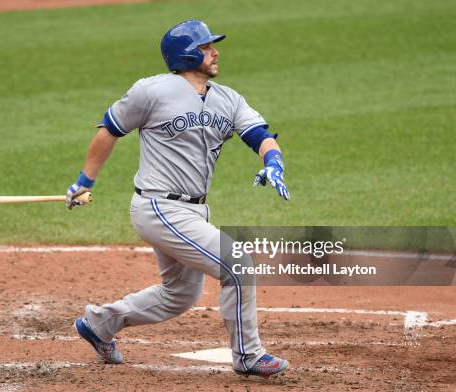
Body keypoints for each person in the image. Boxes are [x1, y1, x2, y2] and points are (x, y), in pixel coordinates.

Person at [66, 19, 290, 378]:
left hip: (195, 210)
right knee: (238, 264)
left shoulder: (227, 98)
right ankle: (248, 355)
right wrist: (83, 180)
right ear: (186, 54)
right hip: (158, 206)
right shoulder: (151, 91)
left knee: (179, 294)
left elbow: (259, 134)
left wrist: (273, 161)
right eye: (206, 47)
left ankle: (99, 324)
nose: (215, 52)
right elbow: (109, 128)